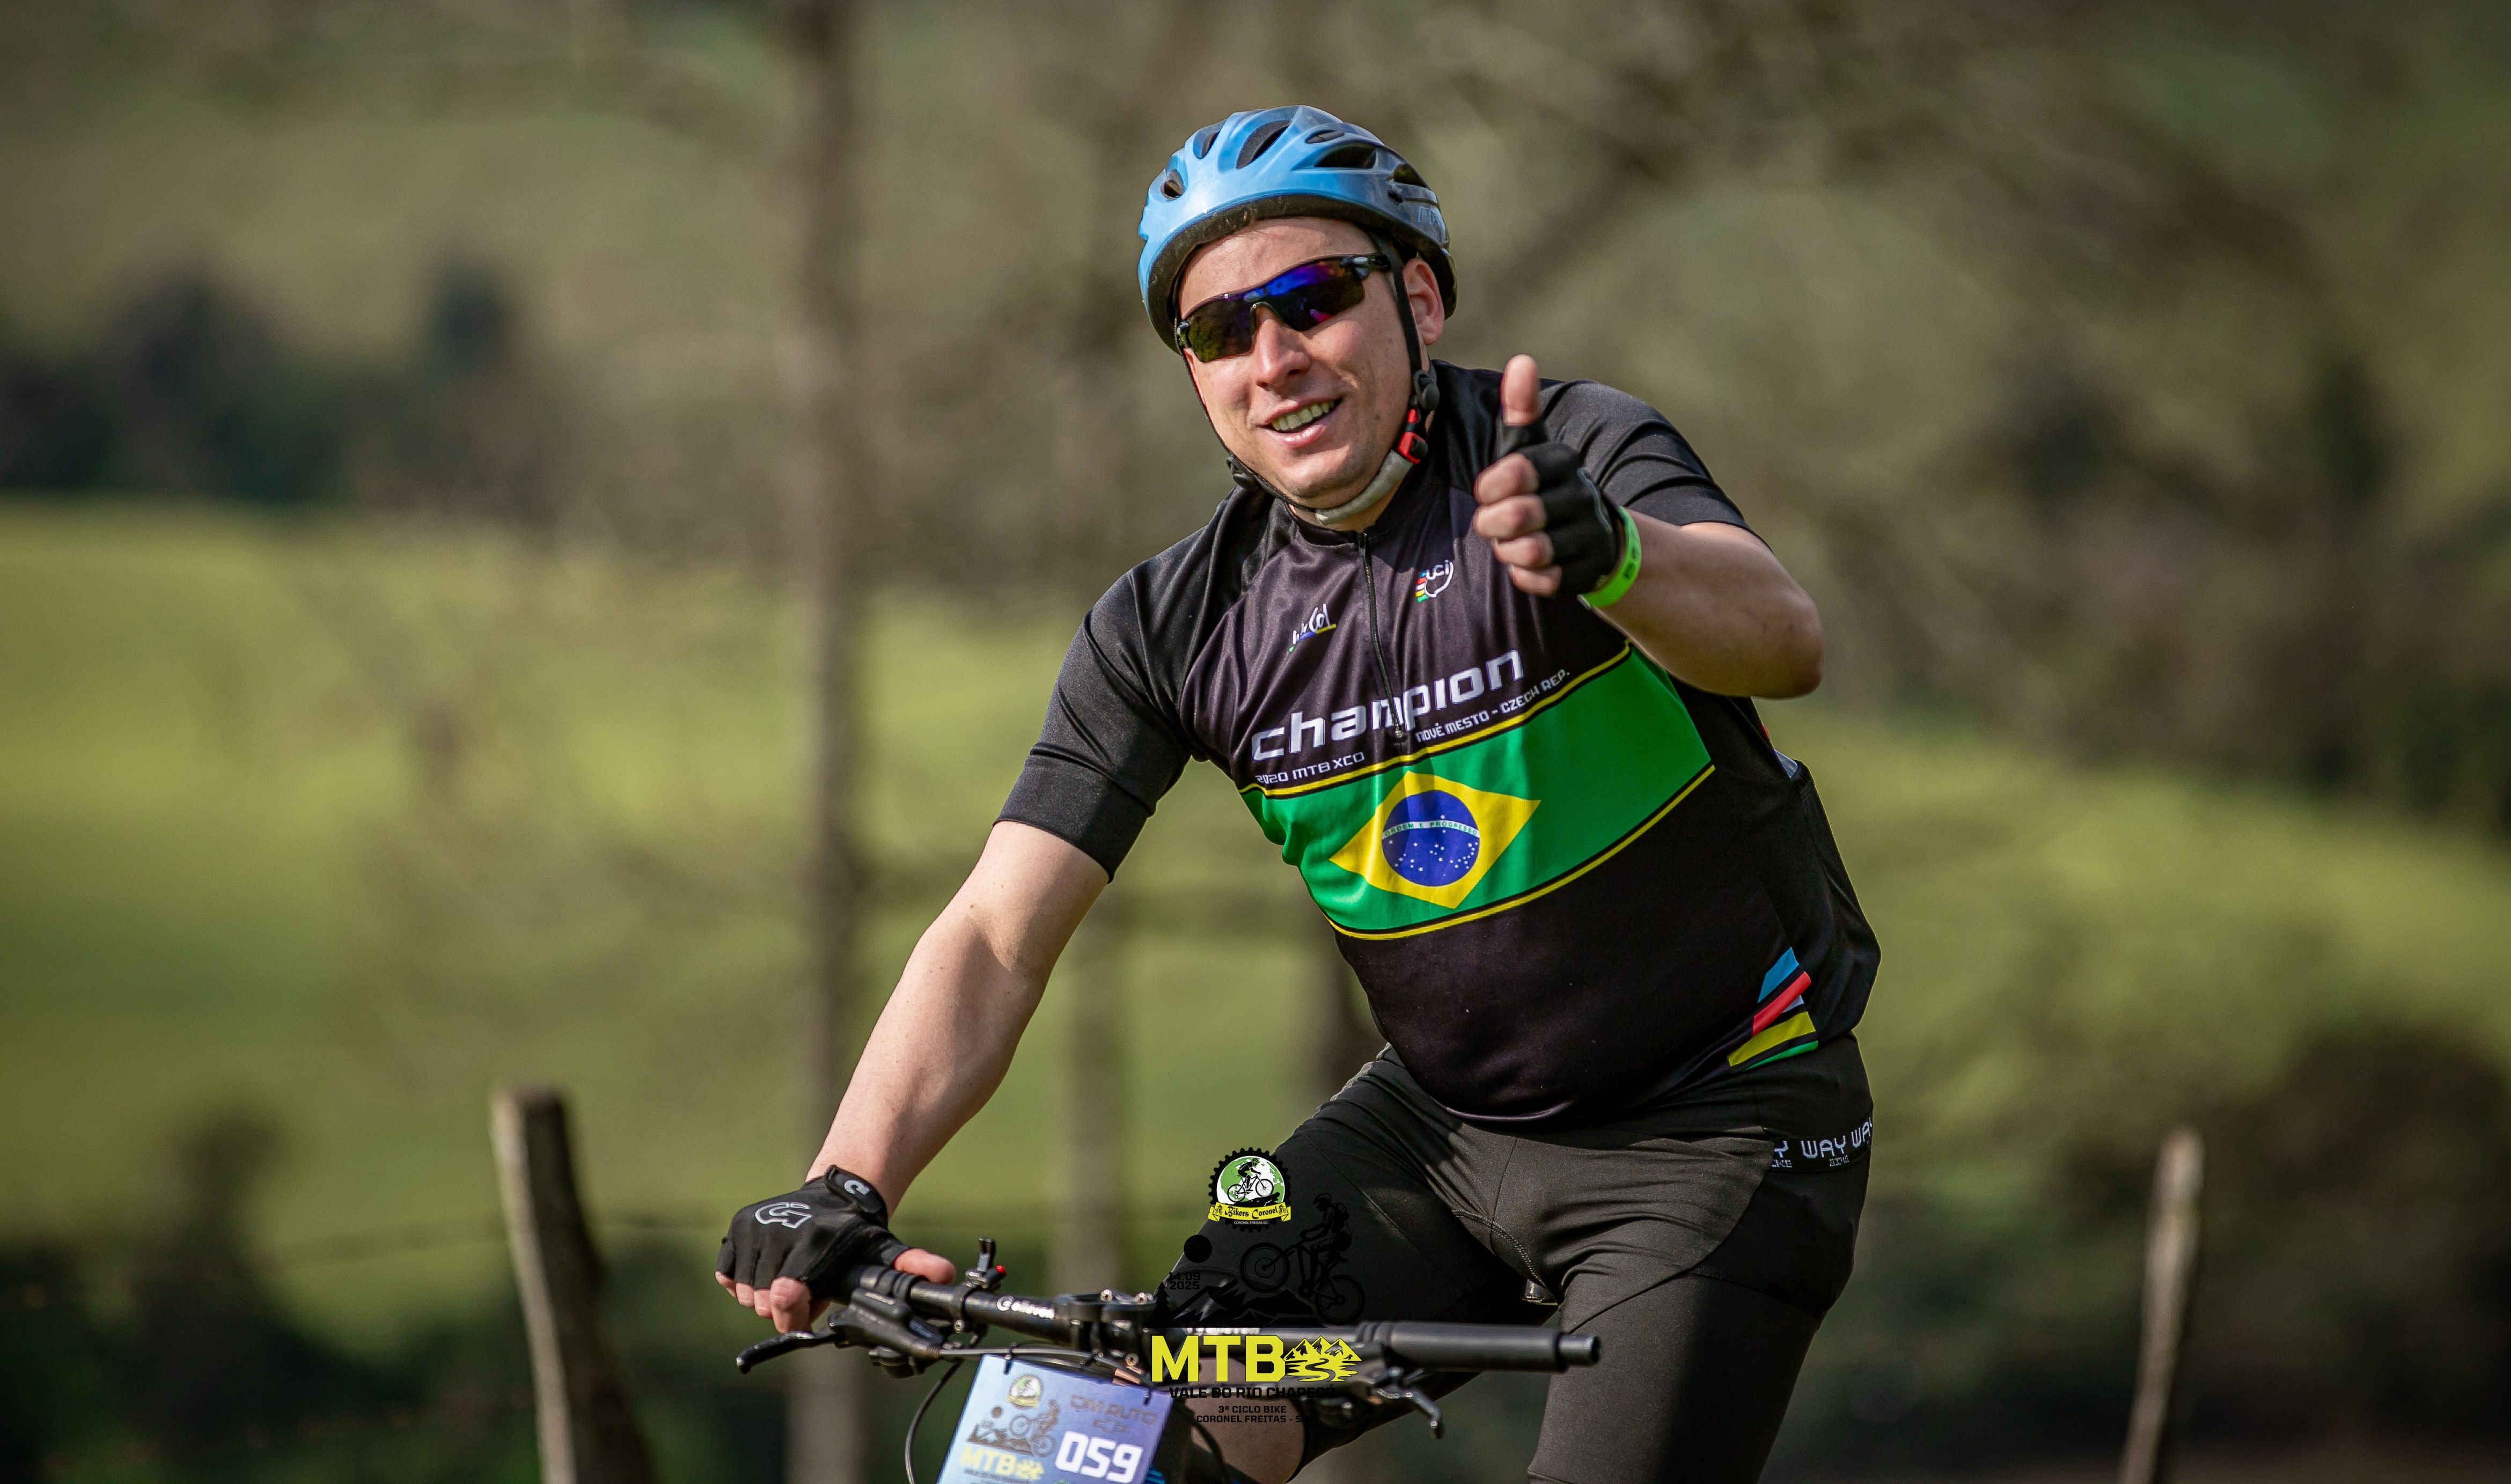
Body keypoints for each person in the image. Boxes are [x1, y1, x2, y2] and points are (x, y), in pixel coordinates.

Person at [717, 106, 1880, 1483]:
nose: (1274, 359)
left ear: (1420, 302)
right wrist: (849, 1180)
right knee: (1082, 1447)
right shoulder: (1175, 624)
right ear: (1195, 374)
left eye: (1315, 298)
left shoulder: (1567, 453)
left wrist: (1619, 558)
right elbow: (995, 933)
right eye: (1220, 330)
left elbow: (1781, 639)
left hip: (1721, 1124)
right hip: (1438, 1141)